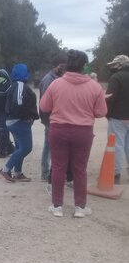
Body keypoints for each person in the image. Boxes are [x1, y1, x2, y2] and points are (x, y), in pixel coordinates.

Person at [40, 49, 107, 218]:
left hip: (58, 130)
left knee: (58, 168)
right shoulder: (94, 87)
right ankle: (80, 207)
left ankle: (57, 206)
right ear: (84, 66)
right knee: (80, 169)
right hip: (82, 131)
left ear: (67, 65)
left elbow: (44, 107)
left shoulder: (56, 84)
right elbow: (101, 112)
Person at [0, 64, 39, 182]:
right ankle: (5, 169)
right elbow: (18, 103)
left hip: (14, 121)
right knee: (26, 148)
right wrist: (26, 117)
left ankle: (18, 173)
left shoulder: (14, 85)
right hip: (18, 121)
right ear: (24, 73)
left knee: (19, 147)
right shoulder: (20, 85)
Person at [39, 56, 67, 181]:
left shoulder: (57, 78)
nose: (62, 68)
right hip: (50, 119)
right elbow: (45, 103)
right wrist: (47, 121)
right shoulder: (48, 80)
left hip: (56, 118)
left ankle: (52, 172)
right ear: (53, 66)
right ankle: (45, 173)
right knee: (48, 147)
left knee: (54, 147)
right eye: (59, 66)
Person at [106, 55, 129, 184]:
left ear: (120, 65)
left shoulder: (116, 77)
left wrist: (107, 113)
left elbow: (110, 98)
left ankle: (115, 174)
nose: (112, 67)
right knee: (128, 146)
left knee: (117, 146)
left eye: (114, 64)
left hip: (118, 117)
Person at [0, 69, 15, 158]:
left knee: (2, 131)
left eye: (0, 77)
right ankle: (10, 148)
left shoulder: (9, 86)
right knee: (0, 131)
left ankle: (2, 150)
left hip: (4, 113)